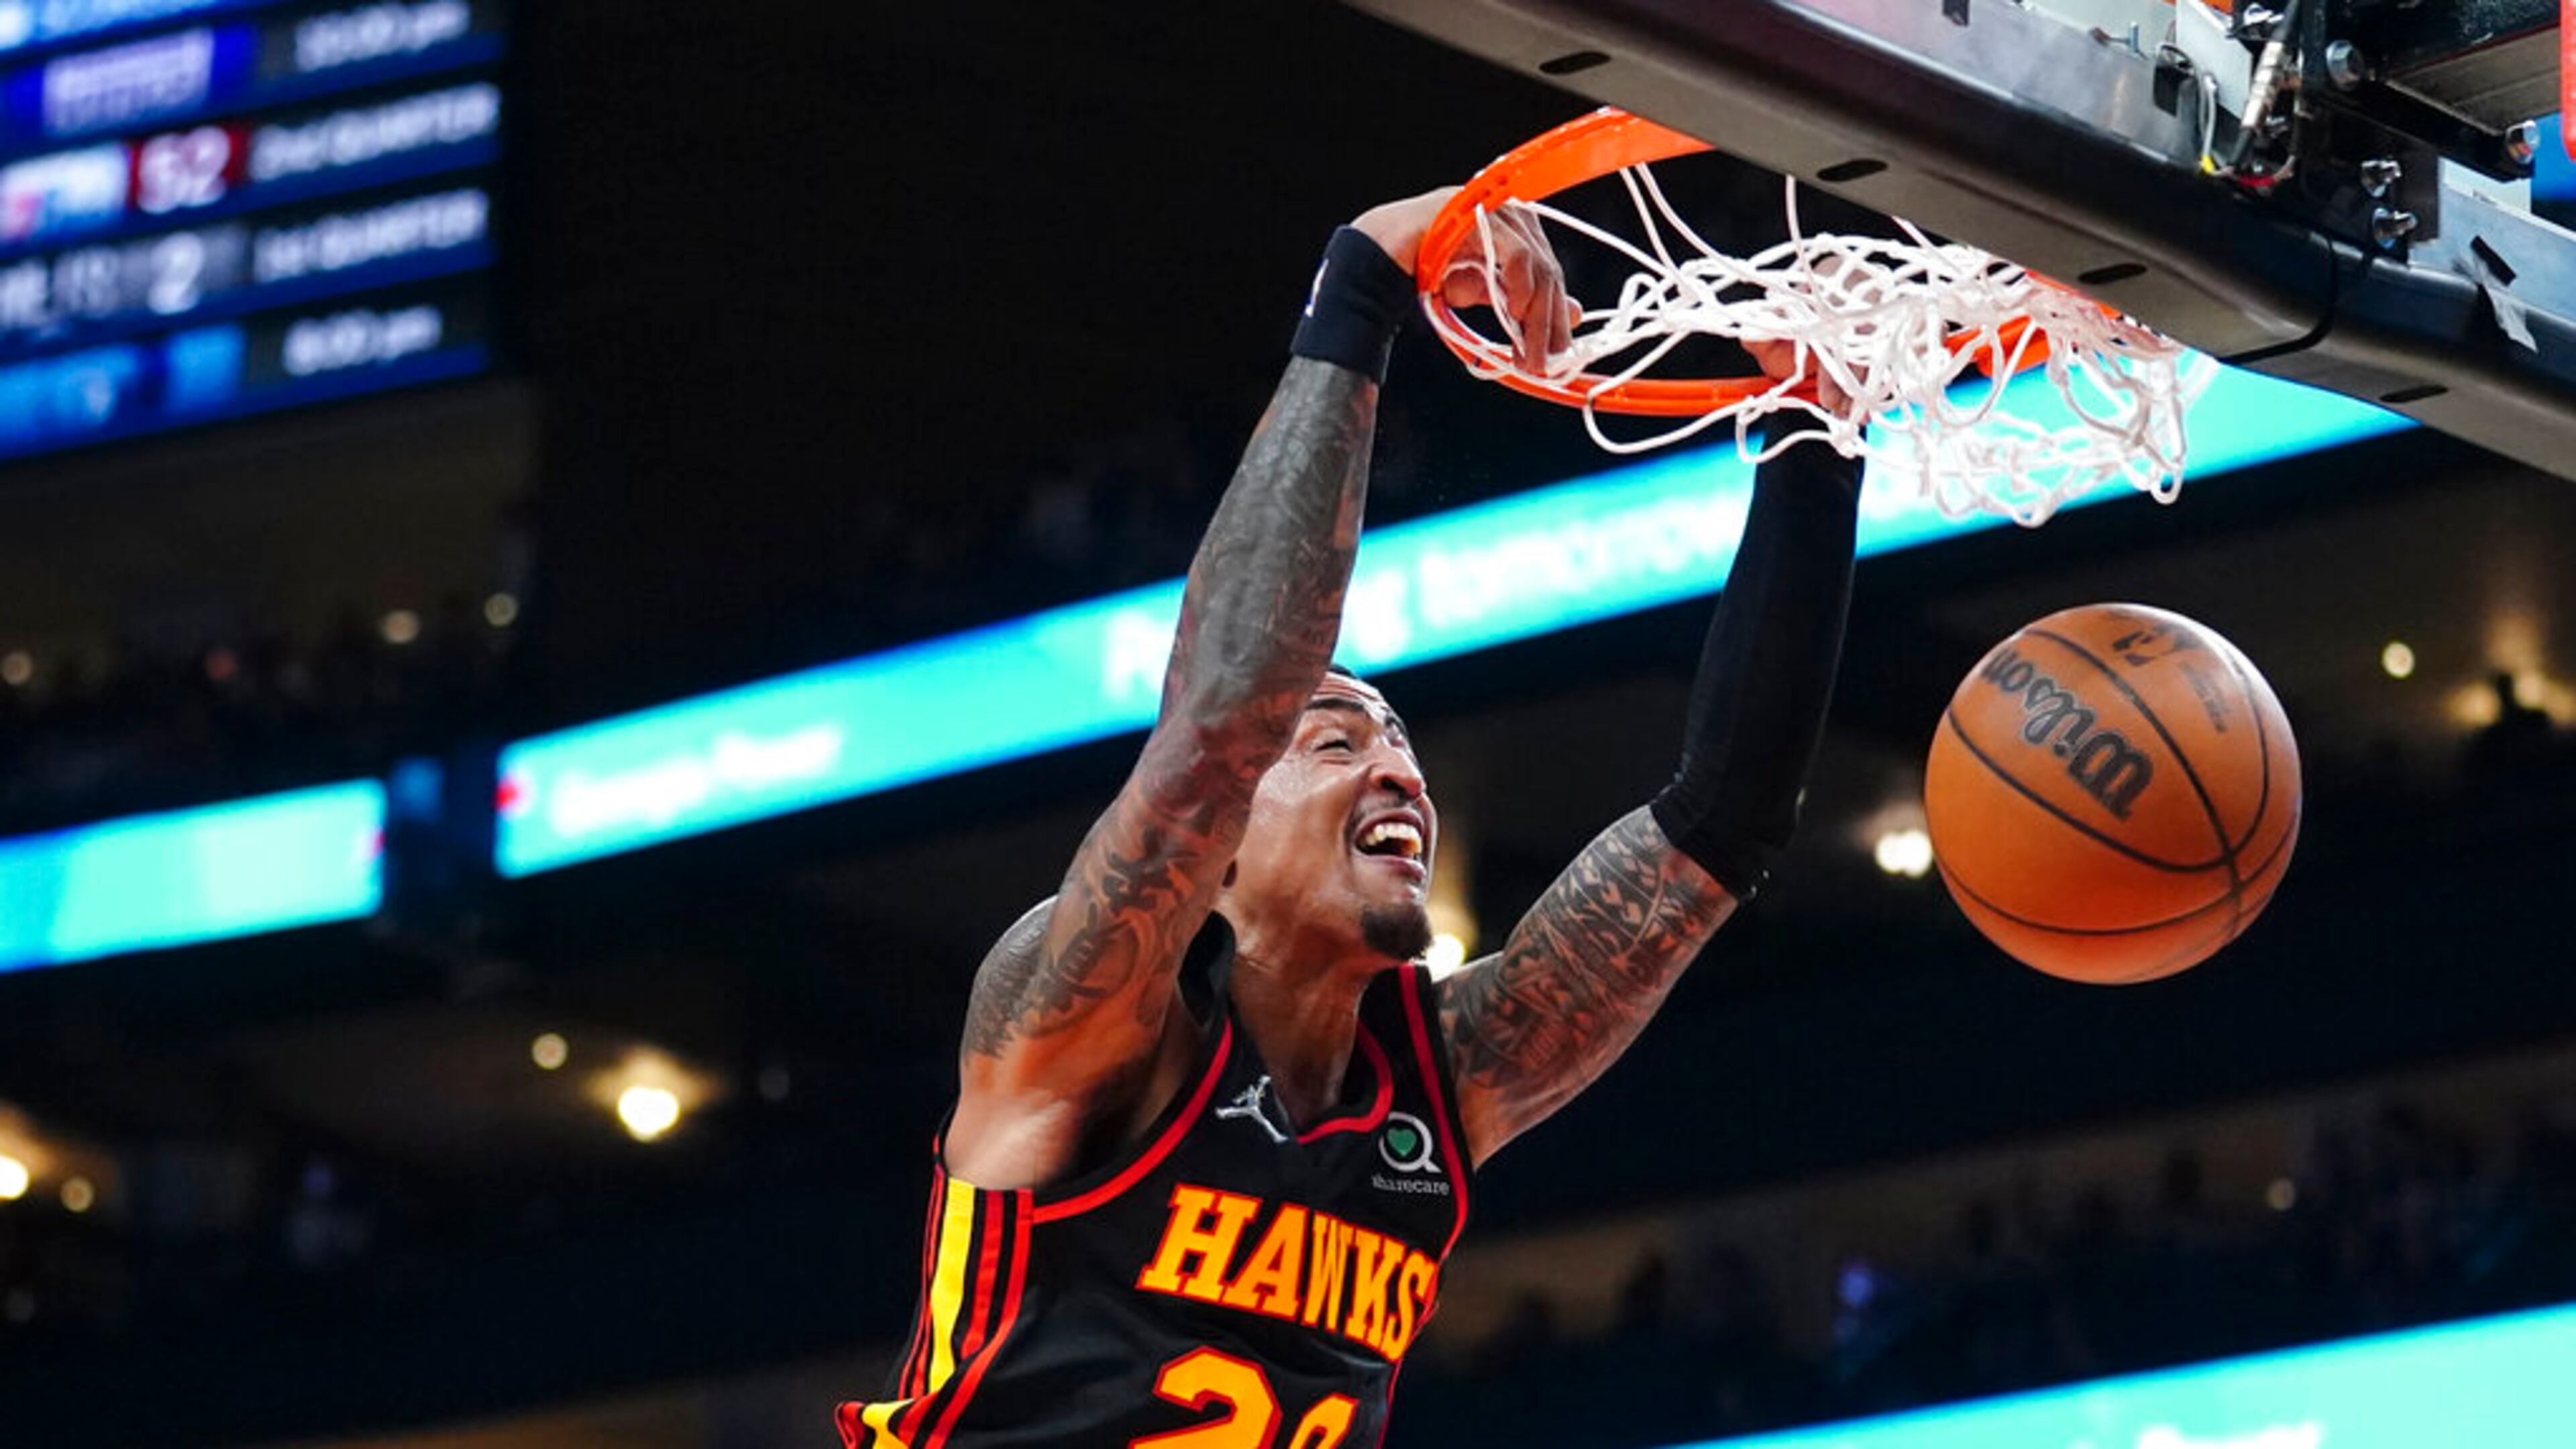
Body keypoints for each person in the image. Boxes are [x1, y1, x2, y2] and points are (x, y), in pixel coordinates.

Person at [839, 189, 1862, 1448]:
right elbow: (1220, 726)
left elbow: (1723, 826)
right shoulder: (1093, 1022)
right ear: (1215, 861)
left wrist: (1815, 437)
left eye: (1404, 747)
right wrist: (1368, 283)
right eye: (1337, 739)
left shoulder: (1443, 1083)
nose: (1401, 776)